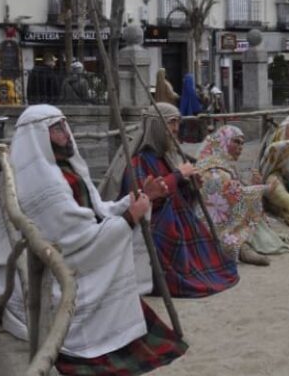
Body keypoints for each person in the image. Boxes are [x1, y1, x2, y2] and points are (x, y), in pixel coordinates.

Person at [0, 105, 186, 376]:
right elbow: (77, 240)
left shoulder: (61, 167)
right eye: (57, 129)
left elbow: (96, 212)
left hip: (67, 254)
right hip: (49, 272)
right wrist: (130, 217)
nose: (66, 134)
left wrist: (140, 198)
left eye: (65, 126)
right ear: (39, 137)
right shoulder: (44, 181)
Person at [100, 103, 239, 298]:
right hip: (154, 226)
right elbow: (144, 200)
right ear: (157, 126)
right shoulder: (137, 162)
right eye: (171, 122)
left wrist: (191, 187)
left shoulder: (166, 158)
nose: (176, 129)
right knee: (172, 236)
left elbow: (178, 195)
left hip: (179, 218)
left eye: (177, 123)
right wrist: (177, 176)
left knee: (215, 260)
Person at [195, 125, 289, 266]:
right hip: (211, 222)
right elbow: (234, 196)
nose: (241, 147)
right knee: (244, 220)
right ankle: (241, 247)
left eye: (242, 143)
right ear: (223, 141)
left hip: (225, 214)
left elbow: (236, 189)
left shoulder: (225, 164)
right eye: (236, 142)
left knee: (251, 215)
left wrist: (253, 184)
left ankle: (244, 244)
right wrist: (263, 189)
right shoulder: (214, 169)